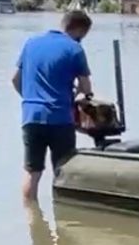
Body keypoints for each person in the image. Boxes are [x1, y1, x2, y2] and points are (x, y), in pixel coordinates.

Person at [13, 10, 94, 202]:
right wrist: (77, 95)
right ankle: (61, 213)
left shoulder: (31, 43)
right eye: (82, 36)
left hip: (31, 117)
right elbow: (85, 88)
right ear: (79, 29)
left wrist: (31, 99)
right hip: (60, 119)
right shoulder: (74, 48)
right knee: (63, 171)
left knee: (32, 172)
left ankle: (31, 214)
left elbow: (15, 80)